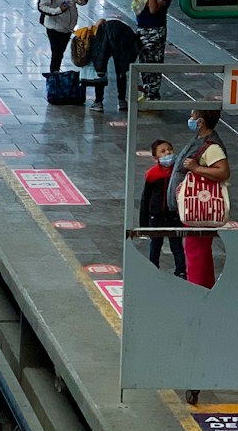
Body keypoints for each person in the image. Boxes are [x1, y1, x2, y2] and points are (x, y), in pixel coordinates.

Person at [169, 107, 230, 293]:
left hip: (201, 209)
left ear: (201, 121)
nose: (191, 118)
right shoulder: (201, 141)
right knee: (198, 251)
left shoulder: (212, 146)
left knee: (196, 252)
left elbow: (223, 171)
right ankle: (206, 288)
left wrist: (195, 168)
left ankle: (197, 290)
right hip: (197, 209)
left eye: (193, 116)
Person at [138, 138, 186, 278]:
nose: (167, 153)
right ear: (155, 157)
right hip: (156, 216)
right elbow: (145, 199)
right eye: (163, 151)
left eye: (169, 150)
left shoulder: (178, 172)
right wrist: (144, 224)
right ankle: (153, 269)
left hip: (174, 215)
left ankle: (181, 271)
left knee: (177, 246)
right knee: (155, 244)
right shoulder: (152, 174)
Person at [36, 0, 87, 75]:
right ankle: (54, 79)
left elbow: (83, 0)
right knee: (57, 53)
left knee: (60, 52)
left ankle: (55, 76)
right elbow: (41, 6)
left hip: (69, 26)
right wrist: (58, 10)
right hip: (55, 27)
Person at [132, 0, 172, 99]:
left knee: (153, 61)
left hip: (154, 30)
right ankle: (146, 90)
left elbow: (154, 9)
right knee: (143, 60)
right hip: (142, 27)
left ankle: (153, 93)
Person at [85, 17, 140, 111]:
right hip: (123, 37)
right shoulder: (121, 27)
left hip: (111, 35)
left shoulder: (98, 31)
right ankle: (122, 101)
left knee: (100, 69)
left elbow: (99, 61)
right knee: (121, 70)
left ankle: (98, 102)